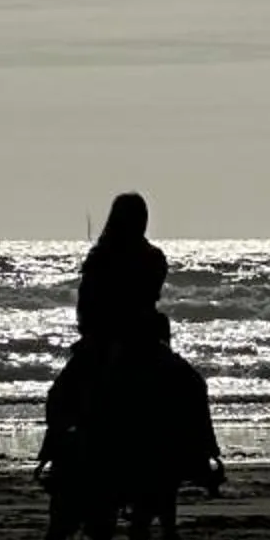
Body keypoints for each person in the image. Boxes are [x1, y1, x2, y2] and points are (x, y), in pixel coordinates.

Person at [41, 193, 173, 473]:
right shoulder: (142, 258)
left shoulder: (115, 258)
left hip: (126, 340)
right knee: (191, 386)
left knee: (62, 394)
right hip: (125, 340)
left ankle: (53, 454)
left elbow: (88, 306)